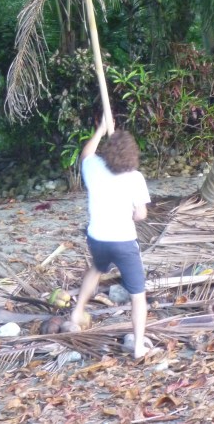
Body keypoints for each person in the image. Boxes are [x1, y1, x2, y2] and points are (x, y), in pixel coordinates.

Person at [70, 116, 151, 358]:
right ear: (132, 155)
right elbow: (141, 214)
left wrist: (100, 130)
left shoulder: (93, 168)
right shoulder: (135, 178)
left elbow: (86, 154)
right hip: (123, 241)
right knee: (138, 295)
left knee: (96, 268)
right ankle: (137, 347)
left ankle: (77, 311)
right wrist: (132, 213)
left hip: (97, 238)